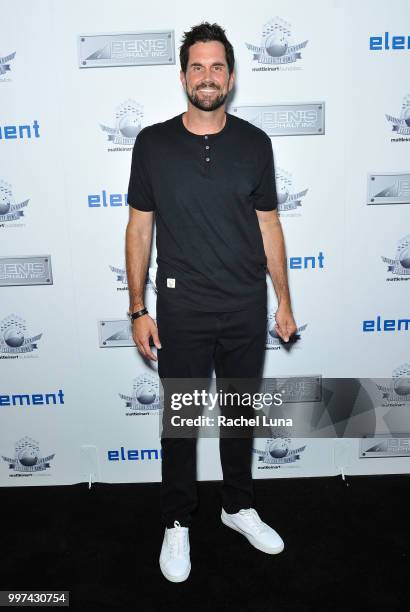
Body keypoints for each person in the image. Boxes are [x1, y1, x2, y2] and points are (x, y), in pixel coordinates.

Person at [125, 22, 297, 583]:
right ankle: (177, 522)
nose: (207, 76)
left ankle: (237, 506)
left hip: (245, 306)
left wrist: (284, 303)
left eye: (217, 66)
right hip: (182, 309)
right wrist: (137, 308)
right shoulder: (151, 143)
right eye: (197, 67)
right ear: (182, 76)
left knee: (241, 414)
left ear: (231, 75)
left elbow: (269, 226)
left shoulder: (255, 144)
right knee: (181, 422)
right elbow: (138, 228)